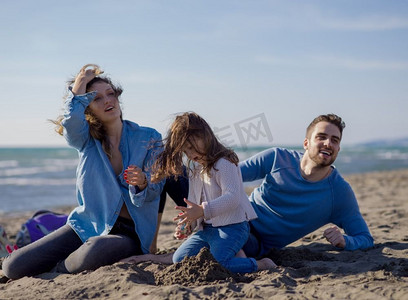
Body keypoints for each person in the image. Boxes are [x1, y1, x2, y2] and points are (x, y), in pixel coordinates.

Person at [2, 64, 164, 279]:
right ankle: (59, 262)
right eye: (97, 98)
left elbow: (157, 186)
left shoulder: (149, 137)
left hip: (129, 234)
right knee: (13, 266)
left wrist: (144, 182)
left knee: (95, 249)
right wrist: (79, 85)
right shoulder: (85, 140)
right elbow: (72, 123)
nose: (108, 100)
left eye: (111, 94)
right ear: (87, 108)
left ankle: (57, 269)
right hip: (87, 224)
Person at [147, 112, 276, 273]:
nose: (191, 154)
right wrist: (190, 223)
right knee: (179, 259)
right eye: (186, 151)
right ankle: (233, 256)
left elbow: (232, 197)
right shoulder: (195, 168)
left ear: (205, 136)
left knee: (220, 264)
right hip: (207, 230)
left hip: (233, 227)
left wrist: (202, 210)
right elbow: (194, 201)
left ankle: (261, 264)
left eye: (192, 147)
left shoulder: (224, 162)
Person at [240, 114, 374, 258]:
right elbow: (227, 174)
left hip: (254, 242)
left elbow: (365, 238)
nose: (328, 143)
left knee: (228, 237)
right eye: (321, 137)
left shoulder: (339, 192)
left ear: (338, 149)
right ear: (306, 143)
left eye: (334, 140)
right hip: (238, 216)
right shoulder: (277, 158)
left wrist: (345, 241)